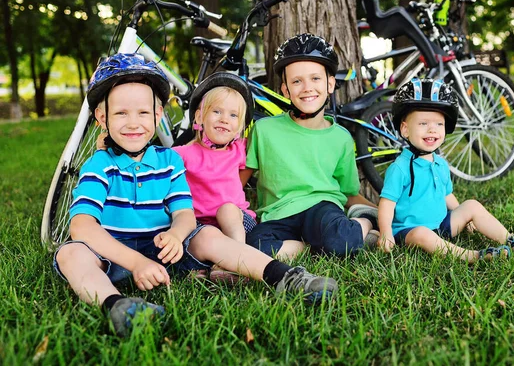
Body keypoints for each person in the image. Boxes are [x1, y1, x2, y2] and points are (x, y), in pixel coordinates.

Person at [53, 53, 339, 337]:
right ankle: (116, 305)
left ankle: (284, 276)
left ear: (158, 115)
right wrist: (136, 262)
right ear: (102, 117)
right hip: (110, 253)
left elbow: (184, 215)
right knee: (71, 252)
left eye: (143, 113)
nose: (133, 123)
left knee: (208, 235)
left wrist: (177, 235)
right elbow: (81, 226)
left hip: (164, 249)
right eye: (121, 113)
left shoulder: (170, 161)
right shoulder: (99, 165)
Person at [244, 33, 380, 261]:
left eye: (315, 79)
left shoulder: (341, 138)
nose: (307, 87)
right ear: (285, 90)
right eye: (297, 81)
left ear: (330, 84)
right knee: (251, 248)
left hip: (323, 209)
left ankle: (364, 223)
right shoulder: (264, 130)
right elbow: (237, 182)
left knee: (340, 242)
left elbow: (348, 193)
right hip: (276, 216)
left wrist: (380, 213)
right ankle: (310, 247)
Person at [377, 77, 514, 262]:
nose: (432, 129)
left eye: (439, 124)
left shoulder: (441, 163)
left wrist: (462, 215)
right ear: (405, 130)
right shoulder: (400, 167)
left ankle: (511, 239)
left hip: (441, 225)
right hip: (409, 232)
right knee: (422, 234)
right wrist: (385, 233)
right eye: (423, 124)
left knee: (471, 205)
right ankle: (472, 256)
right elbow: (386, 204)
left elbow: (447, 196)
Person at [174, 72, 256, 244]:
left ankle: (237, 254)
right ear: (199, 117)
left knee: (227, 210)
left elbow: (261, 152)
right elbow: (151, 158)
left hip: (239, 223)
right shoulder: (183, 153)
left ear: (240, 126)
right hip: (200, 225)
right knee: (186, 227)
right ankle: (213, 262)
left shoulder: (240, 149)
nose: (225, 119)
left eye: (233, 115)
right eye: (217, 111)